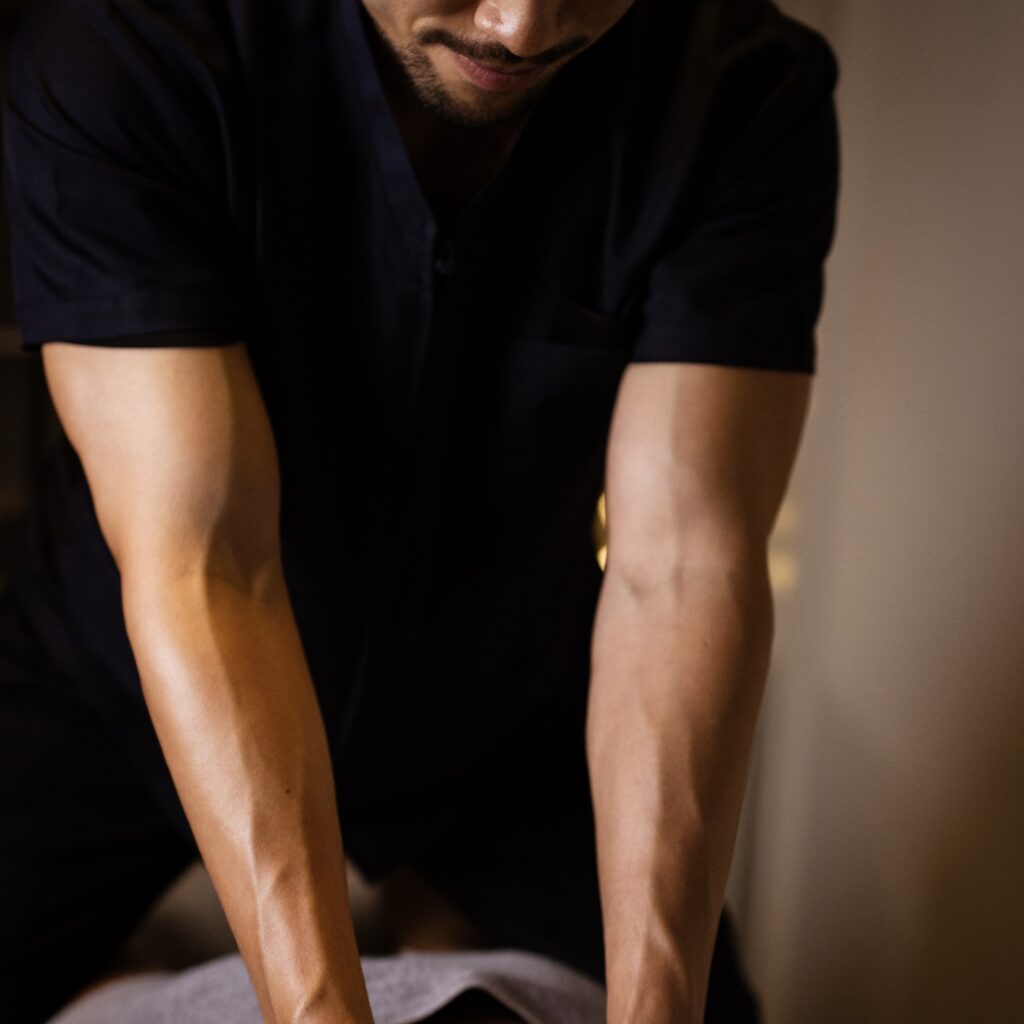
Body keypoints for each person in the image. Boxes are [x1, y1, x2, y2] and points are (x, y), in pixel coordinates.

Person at [0, 0, 840, 1022]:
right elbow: (211, 563)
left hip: (500, 708)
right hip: (118, 680)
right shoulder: (124, 41)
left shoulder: (743, 90)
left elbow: (680, 571)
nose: (520, 27)